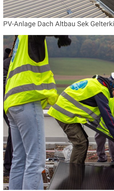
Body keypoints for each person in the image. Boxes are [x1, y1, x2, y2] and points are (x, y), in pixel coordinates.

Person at [4, 35, 71, 190]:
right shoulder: (30, 36)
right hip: (28, 99)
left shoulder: (20, 40)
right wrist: (61, 35)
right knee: (35, 161)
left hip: (13, 103)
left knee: (19, 159)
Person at [48, 71, 114, 164]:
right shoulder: (101, 91)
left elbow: (97, 116)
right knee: (80, 143)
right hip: (64, 113)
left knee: (83, 141)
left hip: (65, 112)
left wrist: (113, 135)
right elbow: (107, 115)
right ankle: (75, 174)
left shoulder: (95, 83)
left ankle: (77, 171)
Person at [3, 44, 14, 177]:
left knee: (14, 133)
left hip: (7, 102)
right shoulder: (9, 63)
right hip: (9, 102)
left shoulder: (6, 62)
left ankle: (9, 166)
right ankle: (9, 166)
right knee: (14, 134)